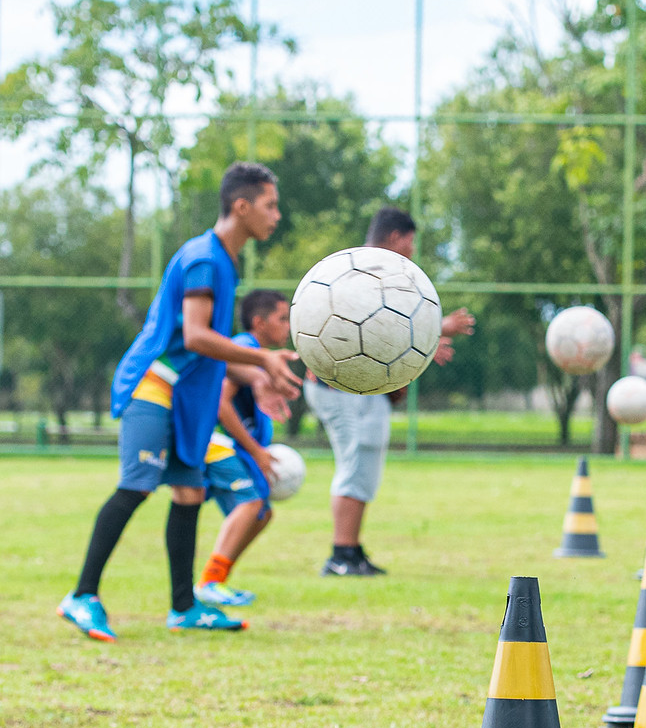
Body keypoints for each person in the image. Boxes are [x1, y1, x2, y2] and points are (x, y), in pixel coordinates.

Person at [59, 163, 301, 639]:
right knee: (136, 485)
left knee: (189, 492)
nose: (277, 215)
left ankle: (183, 607)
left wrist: (260, 373)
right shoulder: (204, 259)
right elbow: (195, 337)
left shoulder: (224, 262)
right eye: (271, 205)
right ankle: (82, 595)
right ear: (242, 206)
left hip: (187, 397)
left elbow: (209, 352)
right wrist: (263, 360)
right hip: (156, 388)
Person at [305, 206, 472, 576]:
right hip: (340, 388)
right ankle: (340, 555)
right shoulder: (362, 271)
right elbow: (370, 324)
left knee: (364, 465)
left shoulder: (380, 273)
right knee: (353, 463)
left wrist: (419, 348)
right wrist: (438, 327)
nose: (411, 252)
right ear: (396, 237)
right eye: (410, 244)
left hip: (364, 390)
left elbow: (388, 331)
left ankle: (351, 549)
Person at [195, 289, 294, 607]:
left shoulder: (257, 354)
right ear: (259, 322)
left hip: (230, 446)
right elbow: (221, 402)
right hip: (215, 442)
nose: (289, 326)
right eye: (282, 318)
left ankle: (215, 581)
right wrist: (256, 450)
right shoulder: (244, 348)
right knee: (251, 505)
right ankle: (209, 582)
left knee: (261, 513)